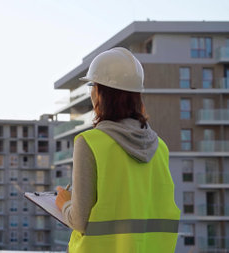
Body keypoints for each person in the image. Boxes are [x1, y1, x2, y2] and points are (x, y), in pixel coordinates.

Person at [55, 47, 180, 253]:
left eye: (91, 85)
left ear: (100, 93)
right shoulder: (160, 147)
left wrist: (64, 204)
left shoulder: (90, 143)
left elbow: (79, 220)